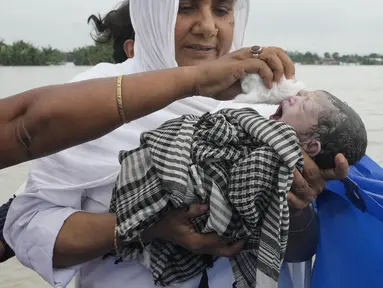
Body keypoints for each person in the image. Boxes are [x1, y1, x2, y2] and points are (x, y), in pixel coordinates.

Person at [3, 1, 348, 288]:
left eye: (223, 9)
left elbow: (299, 252)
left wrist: (300, 207)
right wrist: (148, 228)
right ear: (152, 13)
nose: (208, 27)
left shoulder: (272, 109)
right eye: (186, 8)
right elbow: (27, 228)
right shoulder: (93, 100)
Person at [109, 89, 367, 287]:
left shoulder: (288, 160)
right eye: (300, 94)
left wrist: (295, 208)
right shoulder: (253, 108)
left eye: (304, 101)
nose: (292, 96)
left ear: (312, 146)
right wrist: (158, 228)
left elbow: (292, 244)